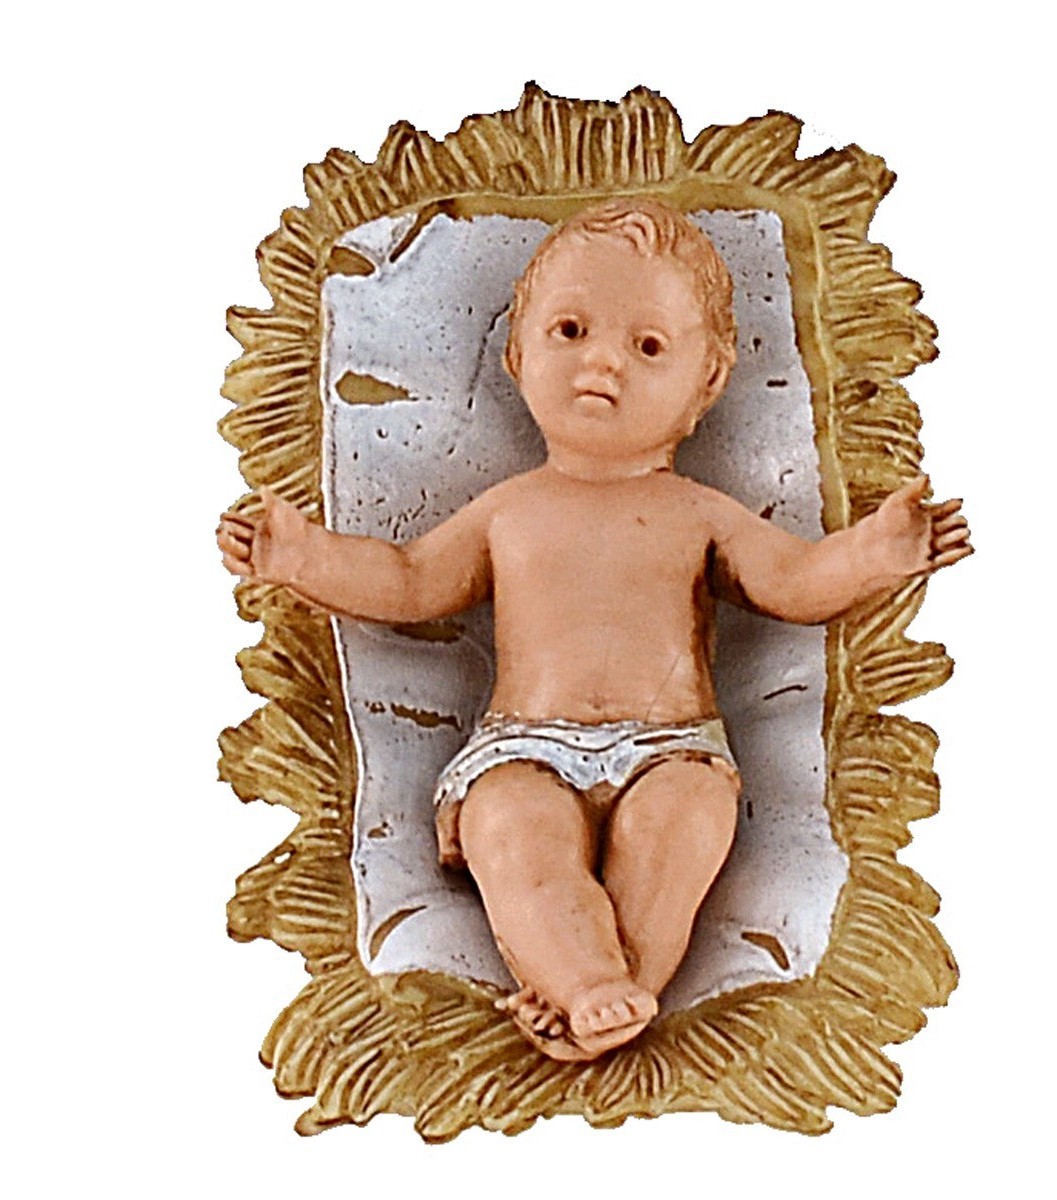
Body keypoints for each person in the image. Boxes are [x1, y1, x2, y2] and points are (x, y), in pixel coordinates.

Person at [217, 199, 972, 1061]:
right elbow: (409, 580)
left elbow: (794, 584)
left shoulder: (697, 512)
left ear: (708, 382)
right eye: (571, 330)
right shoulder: (510, 511)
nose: (602, 360)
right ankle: (581, 982)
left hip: (673, 747)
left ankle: (609, 991)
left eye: (648, 346)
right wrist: (301, 556)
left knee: (684, 828)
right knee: (512, 834)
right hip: (520, 747)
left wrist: (875, 553)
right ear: (517, 351)